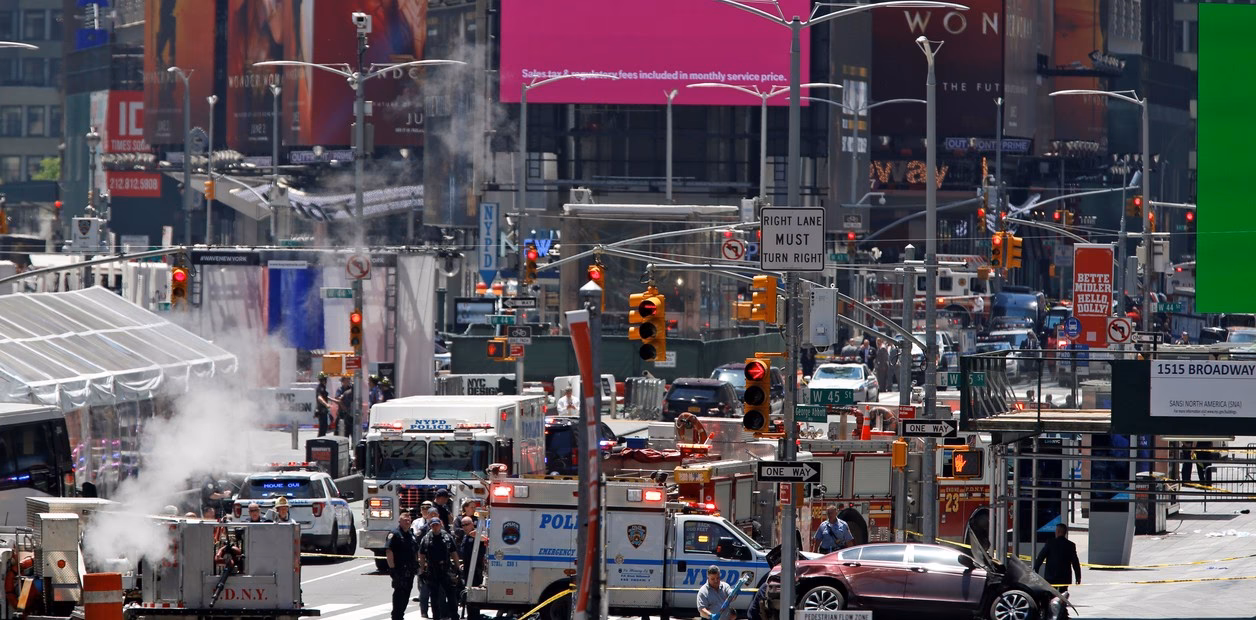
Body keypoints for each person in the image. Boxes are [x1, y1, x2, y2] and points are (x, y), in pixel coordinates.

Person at [419, 518, 462, 620]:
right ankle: (436, 617)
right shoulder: (426, 538)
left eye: (437, 524)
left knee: (451, 595)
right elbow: (422, 555)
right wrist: (421, 570)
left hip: (446, 570)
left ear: (440, 524)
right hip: (432, 571)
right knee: (434, 597)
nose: (435, 527)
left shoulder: (447, 537)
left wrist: (458, 567)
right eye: (433, 525)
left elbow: (453, 552)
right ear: (430, 526)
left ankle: (454, 616)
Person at [386, 511, 420, 620]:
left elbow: (415, 551)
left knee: (406, 593)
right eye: (405, 520)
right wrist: (392, 569)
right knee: (399, 594)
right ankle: (396, 616)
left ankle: (401, 615)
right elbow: (389, 551)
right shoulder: (395, 534)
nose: (407, 522)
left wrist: (417, 564)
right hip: (399, 570)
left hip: (410, 570)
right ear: (399, 521)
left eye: (409, 520)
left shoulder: (410, 534)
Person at [1033, 523, 1081, 592]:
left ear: (1058, 532)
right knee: (1063, 594)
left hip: (1051, 576)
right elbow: (1075, 562)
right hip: (1064, 577)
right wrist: (1078, 576)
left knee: (1050, 594)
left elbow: (1041, 557)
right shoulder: (1070, 545)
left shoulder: (1050, 543)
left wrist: (1036, 569)